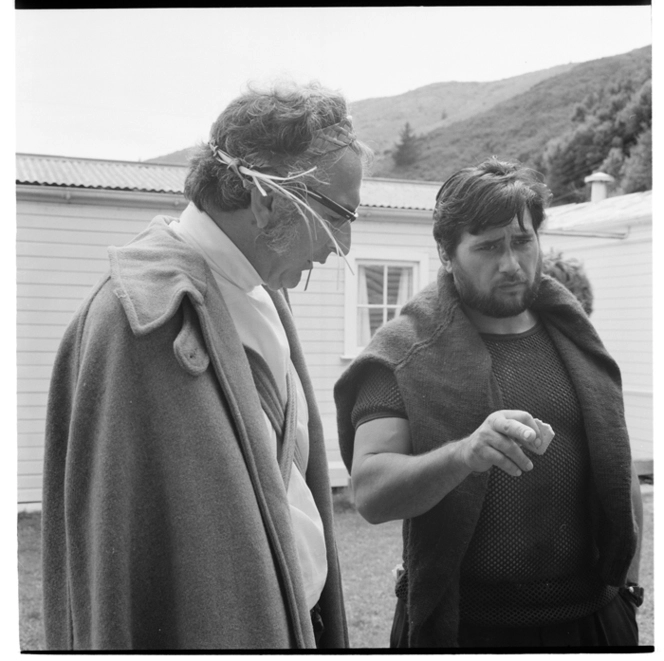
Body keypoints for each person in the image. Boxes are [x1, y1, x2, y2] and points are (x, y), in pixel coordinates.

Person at [42, 82, 372, 650]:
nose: (340, 244)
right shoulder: (135, 321)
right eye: (339, 215)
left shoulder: (263, 291)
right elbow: (116, 573)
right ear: (267, 199)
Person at [334, 158, 643, 649]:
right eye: (488, 247)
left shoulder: (576, 335)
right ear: (446, 252)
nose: (512, 264)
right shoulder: (401, 352)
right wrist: (465, 455)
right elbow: (368, 493)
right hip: (462, 630)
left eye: (522, 242)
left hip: (595, 621)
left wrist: (629, 586)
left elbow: (617, 466)